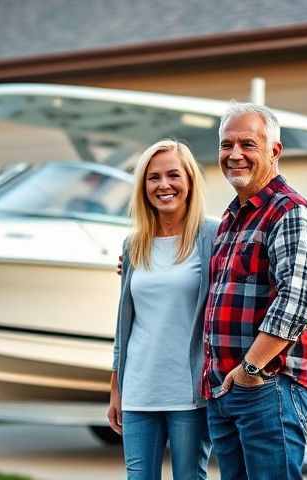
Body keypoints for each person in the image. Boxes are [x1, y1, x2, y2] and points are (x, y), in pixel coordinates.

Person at [203, 102, 307, 480]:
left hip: (267, 387)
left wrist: (250, 369)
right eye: (226, 145)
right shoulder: (231, 218)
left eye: (247, 144)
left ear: (274, 151)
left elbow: (294, 302)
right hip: (227, 390)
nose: (234, 154)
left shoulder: (289, 212)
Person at [108, 139, 216, 480]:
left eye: (173, 175)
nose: (164, 185)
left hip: (189, 392)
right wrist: (116, 386)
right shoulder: (133, 243)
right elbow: (125, 323)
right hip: (139, 388)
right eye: (153, 178)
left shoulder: (213, 235)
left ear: (189, 181)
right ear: (143, 186)